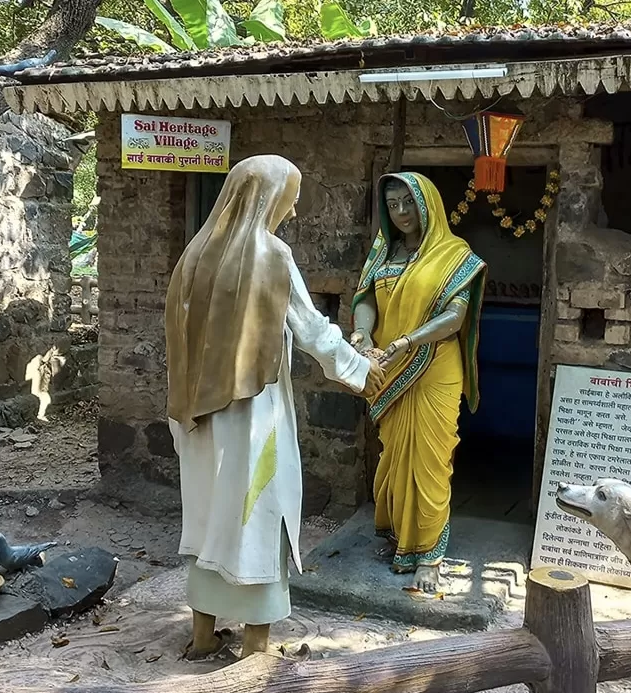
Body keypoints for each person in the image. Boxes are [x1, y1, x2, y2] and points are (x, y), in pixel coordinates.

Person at [164, 155, 385, 660]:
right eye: (292, 195)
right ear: (267, 197)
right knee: (259, 515)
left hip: (197, 417)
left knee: (209, 518)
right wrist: (358, 369)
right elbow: (311, 329)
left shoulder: (193, 255)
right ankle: (256, 647)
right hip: (253, 414)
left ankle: (203, 636)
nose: (295, 207)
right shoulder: (271, 254)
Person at [350, 171, 487, 593]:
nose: (401, 212)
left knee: (430, 461)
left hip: (434, 366)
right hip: (388, 367)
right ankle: (401, 539)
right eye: (392, 204)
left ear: (428, 204)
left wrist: (407, 340)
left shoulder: (454, 255)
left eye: (409, 202)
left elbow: (456, 316)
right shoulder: (384, 250)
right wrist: (362, 334)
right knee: (395, 454)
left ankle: (429, 555)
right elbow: (367, 298)